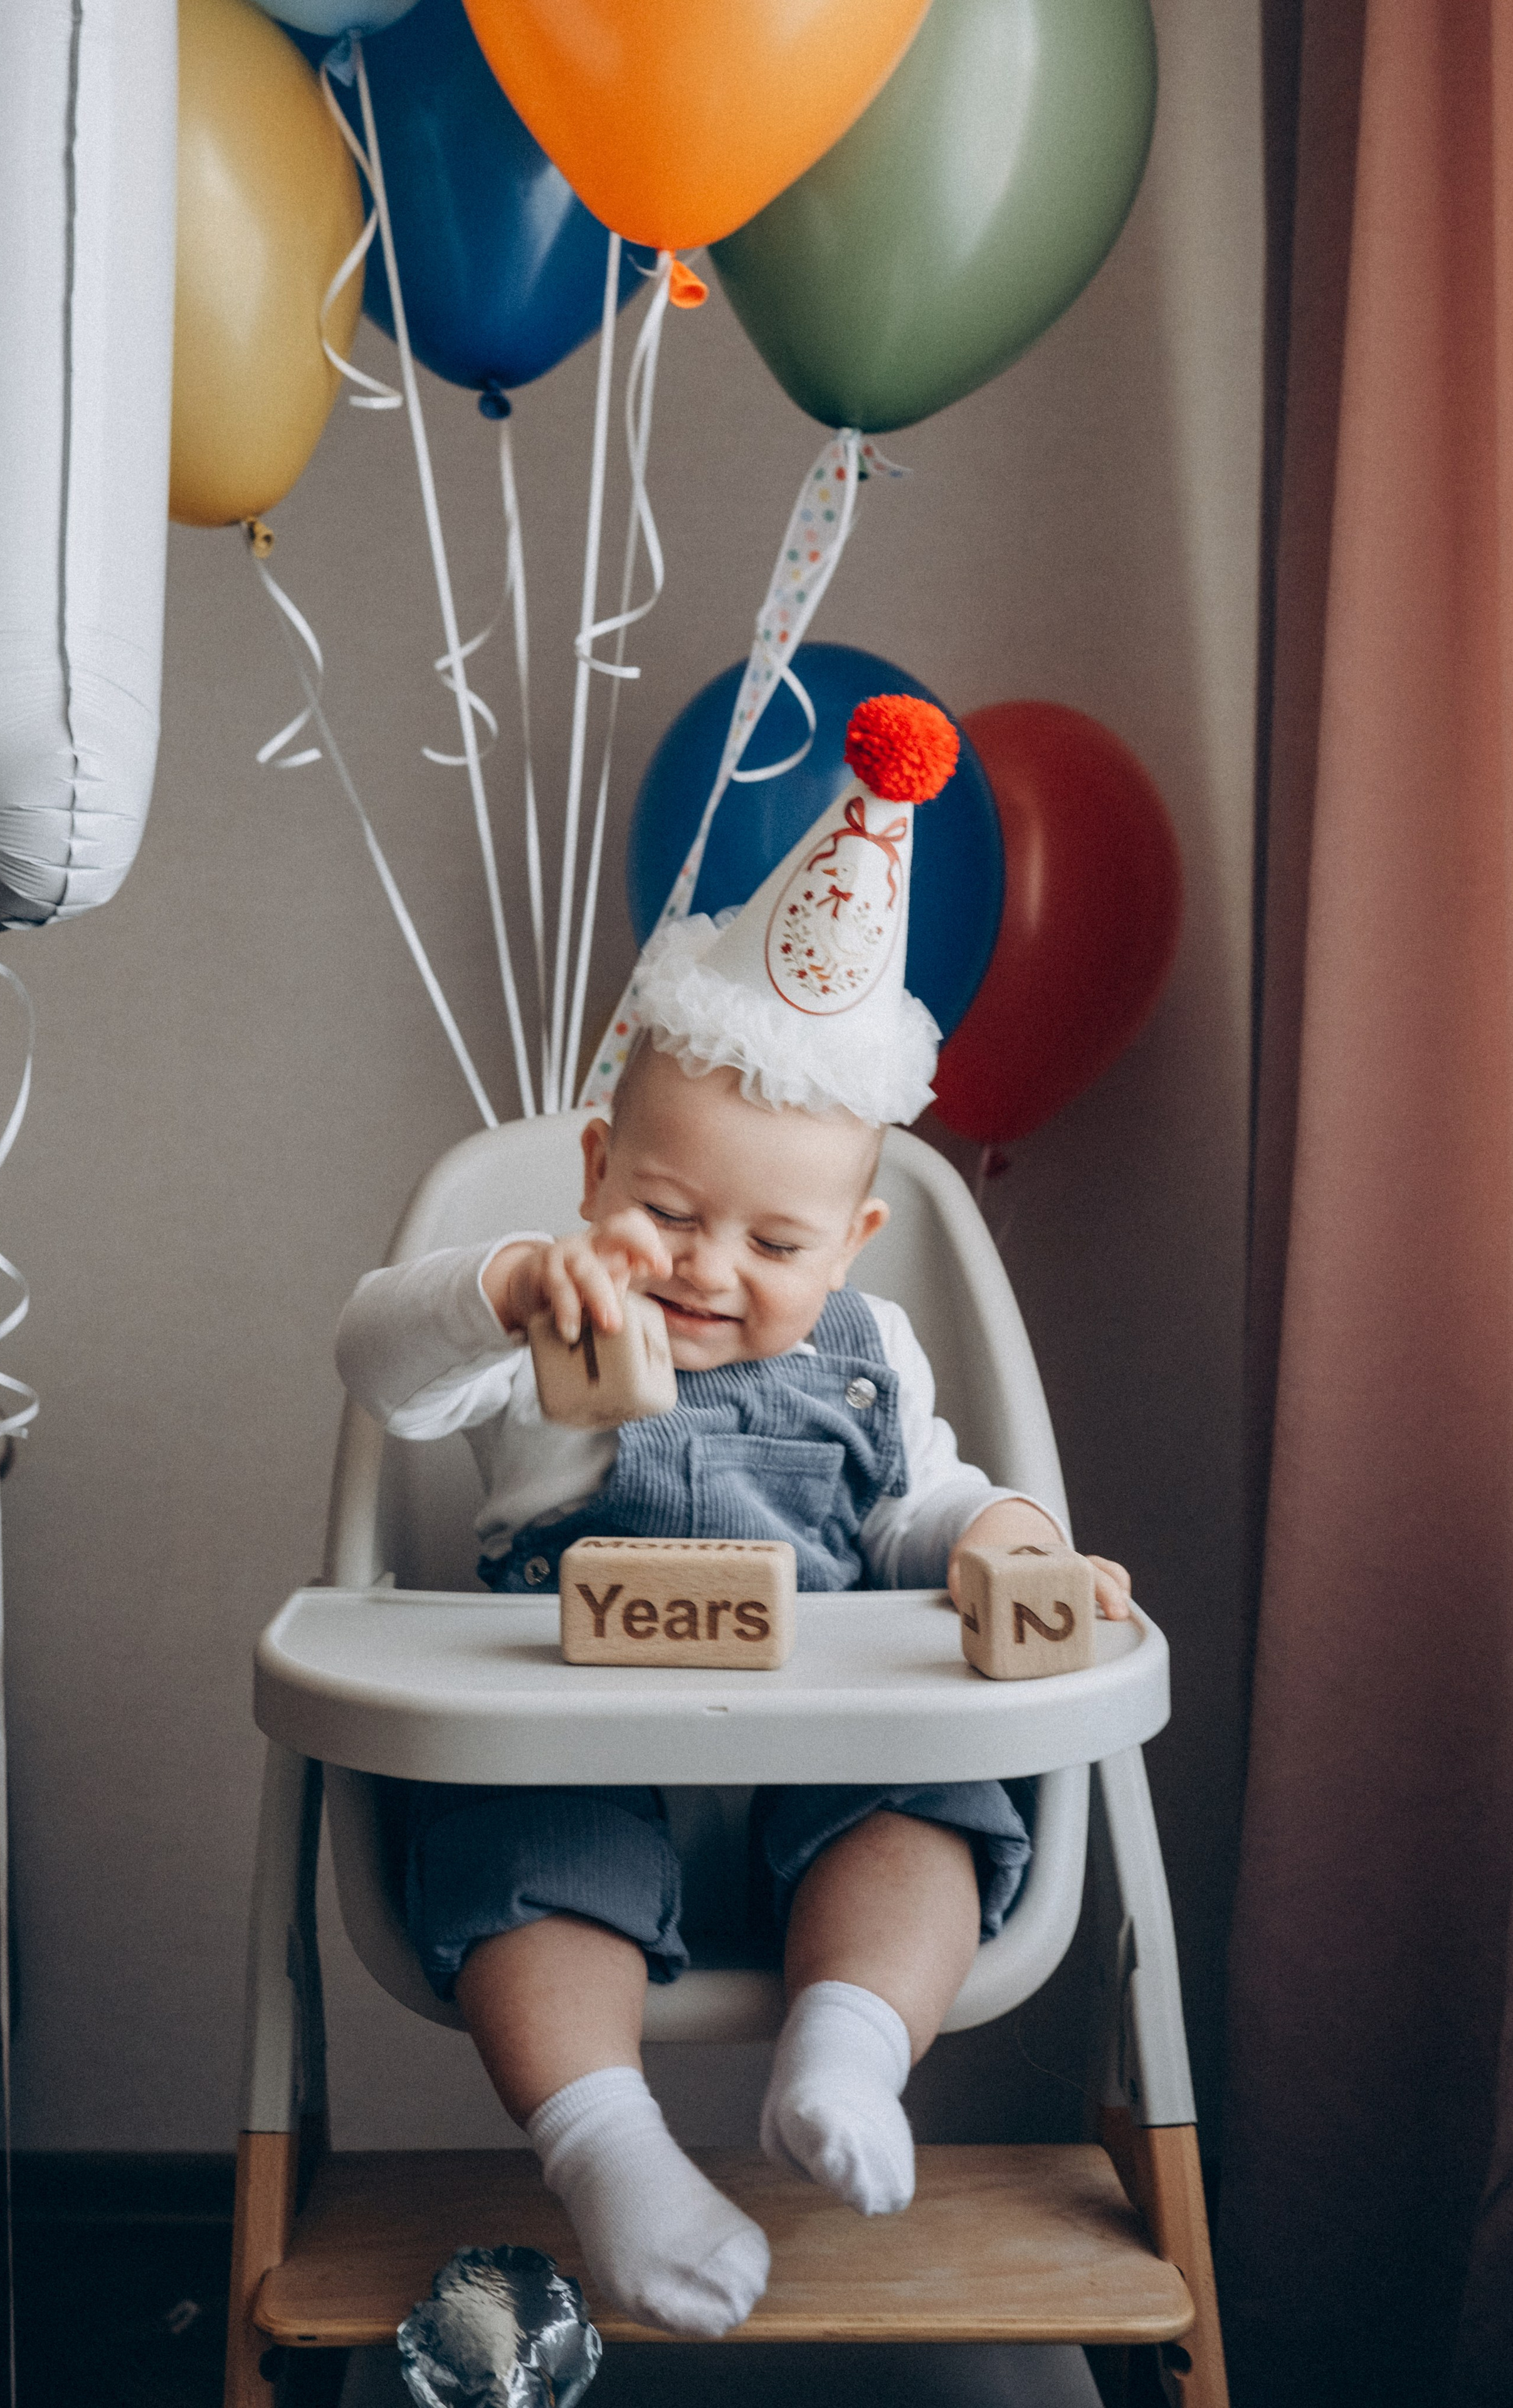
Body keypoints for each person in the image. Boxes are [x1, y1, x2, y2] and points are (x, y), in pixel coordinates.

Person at [335, 698, 1132, 2340]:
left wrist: (1009, 1547)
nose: (707, 1267)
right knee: (515, 1859)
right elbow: (379, 1369)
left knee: (931, 1801)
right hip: (581, 1745)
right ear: (595, 1165)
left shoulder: (871, 1356)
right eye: (668, 1211)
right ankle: (608, 2152)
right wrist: (497, 1293)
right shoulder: (552, 1326)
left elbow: (925, 1509)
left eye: (775, 1246)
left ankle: (850, 2045)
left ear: (850, 1247)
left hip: (817, 1768)